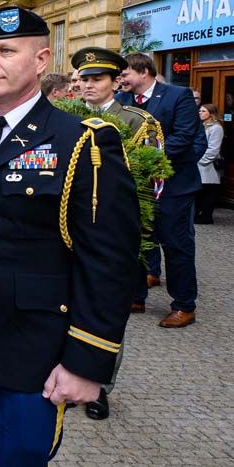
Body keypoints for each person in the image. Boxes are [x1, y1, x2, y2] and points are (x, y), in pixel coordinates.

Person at [0, 7, 140, 465]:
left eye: (5, 50)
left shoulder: (80, 142)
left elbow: (109, 261)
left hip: (31, 350)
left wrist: (87, 361)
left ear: (41, 61)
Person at [71, 46, 161, 421]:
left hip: (113, 233)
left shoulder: (137, 121)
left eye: (97, 79)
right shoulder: (63, 117)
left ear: (115, 82)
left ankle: (99, 386)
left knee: (106, 309)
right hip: (69, 230)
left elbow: (152, 181)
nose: (89, 86)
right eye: (84, 79)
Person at [119, 52, 207, 327]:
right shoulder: (123, 101)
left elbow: (184, 136)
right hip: (137, 188)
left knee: (175, 245)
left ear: (143, 72)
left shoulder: (177, 96)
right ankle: (136, 296)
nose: (121, 80)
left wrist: (142, 157)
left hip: (173, 187)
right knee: (137, 243)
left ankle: (184, 305)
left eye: (125, 74)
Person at [195, 103, 224, 224]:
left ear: (211, 114)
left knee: (208, 192)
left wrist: (199, 160)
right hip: (198, 165)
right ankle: (199, 215)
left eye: (203, 111)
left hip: (207, 165)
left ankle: (206, 217)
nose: (200, 113)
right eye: (200, 111)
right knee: (200, 193)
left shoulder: (216, 128)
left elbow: (213, 149)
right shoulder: (201, 126)